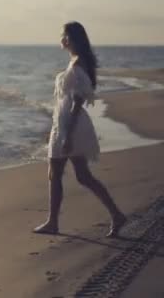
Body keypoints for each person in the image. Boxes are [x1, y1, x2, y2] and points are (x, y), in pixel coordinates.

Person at [33, 21, 126, 238]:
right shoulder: (76, 62)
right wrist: (58, 127)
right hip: (65, 123)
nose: (62, 39)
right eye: (62, 36)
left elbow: (78, 100)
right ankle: (116, 214)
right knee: (81, 176)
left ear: (74, 38)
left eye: (65, 35)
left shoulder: (78, 65)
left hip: (70, 124)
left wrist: (67, 133)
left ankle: (53, 223)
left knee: (57, 174)